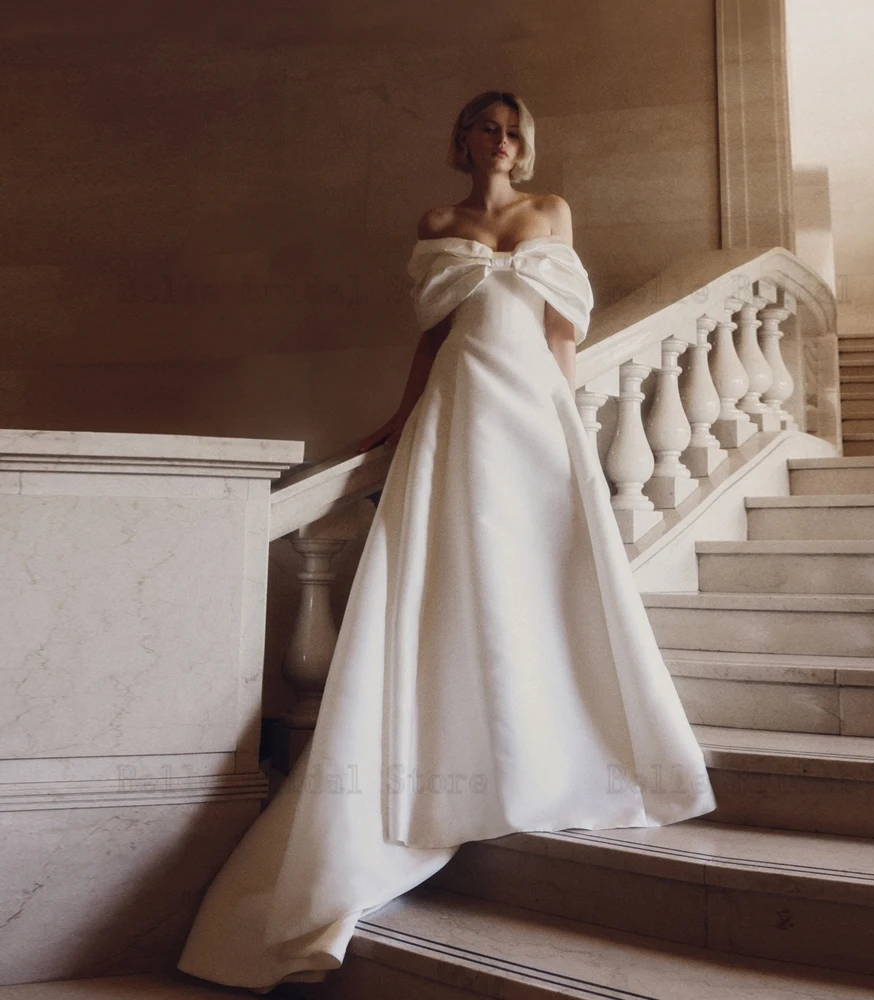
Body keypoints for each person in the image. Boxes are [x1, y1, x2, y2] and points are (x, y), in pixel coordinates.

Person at [176, 90, 715, 993]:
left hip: (530, 407)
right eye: (488, 129)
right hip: (460, 401)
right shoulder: (436, 219)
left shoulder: (551, 212)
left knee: (543, 576)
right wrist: (398, 416)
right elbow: (431, 335)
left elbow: (560, 329)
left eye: (515, 133)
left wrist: (573, 418)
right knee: (457, 575)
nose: (502, 143)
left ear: (524, 145)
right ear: (463, 138)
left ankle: (555, 750)